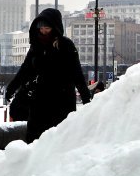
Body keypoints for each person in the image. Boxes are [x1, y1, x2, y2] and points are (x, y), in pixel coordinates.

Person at [5, 8, 91, 142]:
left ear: (55, 27)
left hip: (61, 101)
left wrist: (86, 99)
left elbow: (77, 74)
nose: (43, 31)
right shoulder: (36, 47)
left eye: (47, 28)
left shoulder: (66, 45)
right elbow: (25, 70)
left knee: (58, 142)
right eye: (41, 28)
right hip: (39, 101)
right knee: (34, 140)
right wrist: (11, 88)